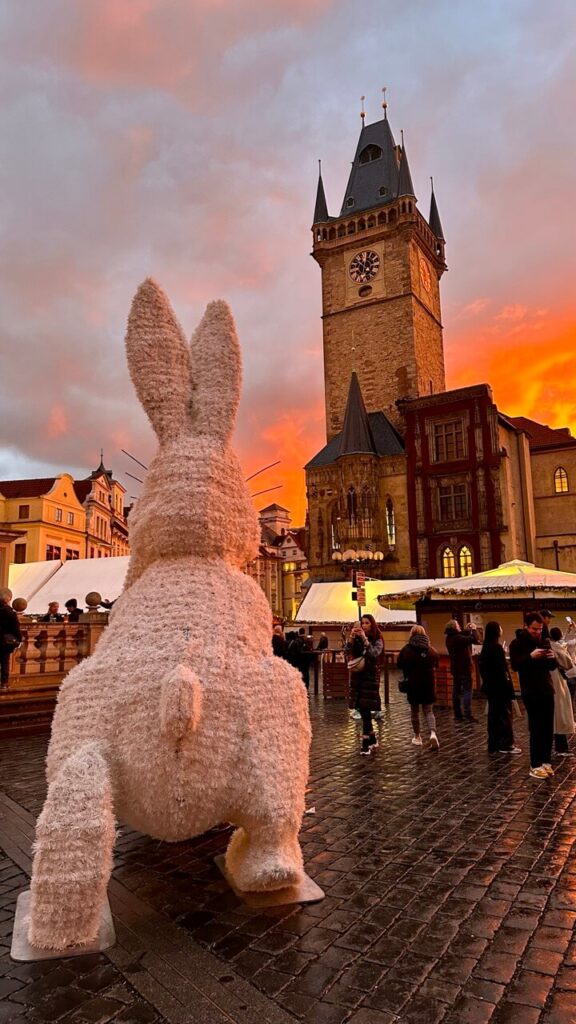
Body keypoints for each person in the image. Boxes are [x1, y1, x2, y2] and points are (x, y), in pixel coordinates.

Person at [510, 612, 556, 779]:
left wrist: (552, 658)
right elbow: (515, 665)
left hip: (547, 688)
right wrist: (531, 657)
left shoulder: (544, 641)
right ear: (526, 627)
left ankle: (546, 761)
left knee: (547, 727)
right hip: (531, 690)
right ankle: (535, 764)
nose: (537, 632)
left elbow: (552, 667)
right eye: (534, 629)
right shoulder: (517, 643)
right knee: (536, 728)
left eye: (540, 629)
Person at [478, 621, 521, 755]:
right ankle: (506, 744)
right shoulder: (496, 649)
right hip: (501, 687)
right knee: (504, 715)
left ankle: (494, 743)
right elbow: (503, 670)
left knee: (494, 716)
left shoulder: (485, 648)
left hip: (491, 687)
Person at [346, 614, 384, 755]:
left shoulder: (377, 639)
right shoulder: (356, 639)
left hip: (369, 678)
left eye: (367, 623)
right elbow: (347, 653)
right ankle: (372, 739)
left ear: (372, 624)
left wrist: (365, 639)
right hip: (357, 678)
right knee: (364, 711)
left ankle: (365, 744)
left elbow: (374, 654)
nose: (364, 625)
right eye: (362, 623)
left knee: (365, 711)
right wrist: (351, 638)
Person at [397, 624, 440, 749]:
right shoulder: (430, 649)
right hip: (428, 684)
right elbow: (436, 661)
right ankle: (433, 733)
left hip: (413, 684)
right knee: (428, 711)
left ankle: (417, 736)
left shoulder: (407, 649)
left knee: (415, 711)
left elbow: (399, 664)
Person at [444, 619, 480, 722]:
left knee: (456, 692)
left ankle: (458, 714)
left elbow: (462, 635)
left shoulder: (449, 638)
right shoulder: (458, 638)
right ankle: (467, 714)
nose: (459, 626)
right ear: (454, 627)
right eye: (458, 625)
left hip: (455, 669)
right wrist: (474, 629)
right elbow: (473, 639)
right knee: (467, 691)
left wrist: (467, 629)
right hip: (464, 668)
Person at [549, 626, 575, 753]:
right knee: (561, 712)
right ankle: (561, 747)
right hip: (560, 680)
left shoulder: (552, 644)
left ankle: (558, 745)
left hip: (553, 683)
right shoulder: (558, 646)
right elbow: (568, 662)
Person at [0, 588, 22, 689]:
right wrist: (19, 640)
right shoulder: (9, 612)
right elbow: (15, 628)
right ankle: (4, 683)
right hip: (5, 641)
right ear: (7, 599)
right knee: (5, 661)